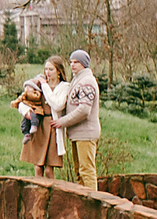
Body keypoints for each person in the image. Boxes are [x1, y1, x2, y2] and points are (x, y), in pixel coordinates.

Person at [55, 48, 102, 186]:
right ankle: (83, 202)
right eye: (71, 62)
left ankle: (93, 202)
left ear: (84, 64)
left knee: (86, 170)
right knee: (79, 172)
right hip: (77, 134)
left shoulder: (87, 81)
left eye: (76, 62)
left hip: (86, 134)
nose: (73, 65)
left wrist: (62, 122)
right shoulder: (77, 80)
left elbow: (84, 110)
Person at [15, 77, 61, 179]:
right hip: (38, 125)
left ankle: (51, 192)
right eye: (46, 69)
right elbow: (23, 100)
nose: (48, 72)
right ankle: (39, 192)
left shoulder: (61, 87)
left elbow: (58, 104)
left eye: (51, 69)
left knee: (49, 169)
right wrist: (26, 111)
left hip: (52, 126)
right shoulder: (37, 84)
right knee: (38, 167)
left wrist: (45, 86)